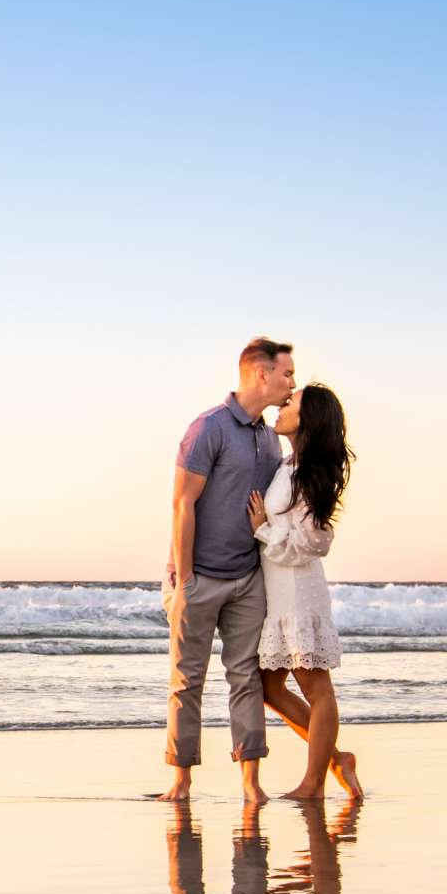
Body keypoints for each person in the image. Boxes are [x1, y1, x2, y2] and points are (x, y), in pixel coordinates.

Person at [159, 337, 294, 804]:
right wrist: (186, 581)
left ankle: (252, 786)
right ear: (261, 374)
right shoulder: (208, 428)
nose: (291, 382)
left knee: (246, 678)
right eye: (286, 374)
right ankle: (181, 782)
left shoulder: (268, 437)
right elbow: (183, 503)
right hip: (199, 577)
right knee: (187, 680)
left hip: (247, 578)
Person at [248, 382, 360, 800]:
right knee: (269, 687)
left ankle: (313, 784)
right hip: (278, 593)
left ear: (306, 418)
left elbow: (315, 543)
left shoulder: (310, 473)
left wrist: (260, 528)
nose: (282, 405)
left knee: (316, 687)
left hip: (298, 592)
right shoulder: (287, 465)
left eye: (290, 402)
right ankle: (336, 759)